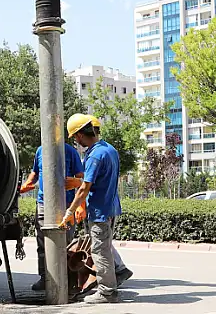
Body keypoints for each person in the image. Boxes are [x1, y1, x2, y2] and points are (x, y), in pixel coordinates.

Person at [62, 113, 132, 303]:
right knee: (106, 249)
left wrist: (70, 211)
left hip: (100, 212)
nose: (76, 141)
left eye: (75, 137)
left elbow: (85, 188)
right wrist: (78, 181)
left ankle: (107, 292)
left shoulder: (94, 156)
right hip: (111, 208)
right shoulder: (110, 149)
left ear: (79, 135)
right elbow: (100, 179)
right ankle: (114, 280)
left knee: (100, 252)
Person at [19, 141, 84, 291]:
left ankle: (66, 280)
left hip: (66, 204)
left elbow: (80, 178)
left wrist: (80, 205)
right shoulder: (40, 150)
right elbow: (35, 172)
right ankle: (45, 278)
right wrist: (25, 186)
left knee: (65, 243)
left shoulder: (70, 151)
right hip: (43, 204)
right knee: (42, 244)